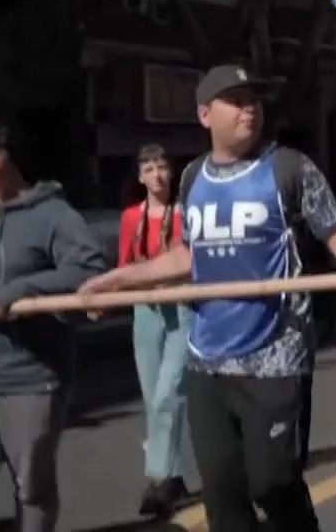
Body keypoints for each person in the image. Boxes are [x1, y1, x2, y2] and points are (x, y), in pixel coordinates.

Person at [77, 64, 336, 532]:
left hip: (275, 357)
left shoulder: (289, 167)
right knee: (223, 498)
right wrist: (119, 279)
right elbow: (189, 254)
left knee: (274, 484)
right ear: (206, 114)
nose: (250, 107)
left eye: (254, 98)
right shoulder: (191, 177)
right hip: (207, 360)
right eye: (236, 99)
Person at [0, 121, 107, 532]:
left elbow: (88, 268)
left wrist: (21, 290)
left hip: (29, 380)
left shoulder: (54, 216)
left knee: (32, 490)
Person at [117, 144, 192, 517]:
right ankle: (174, 473)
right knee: (152, 397)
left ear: (172, 171)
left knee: (168, 394)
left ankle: (159, 478)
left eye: (162, 166)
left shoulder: (186, 213)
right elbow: (124, 264)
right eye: (148, 168)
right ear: (140, 176)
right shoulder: (132, 216)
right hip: (145, 309)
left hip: (181, 306)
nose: (157, 175)